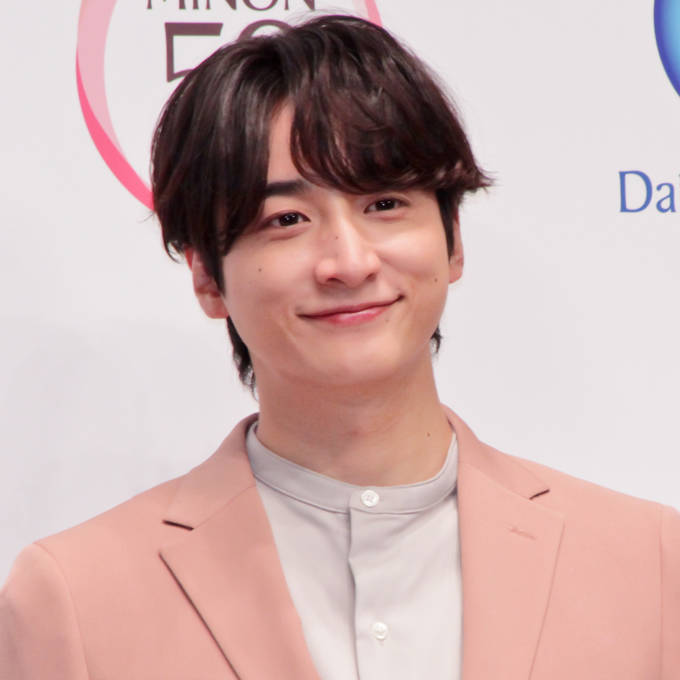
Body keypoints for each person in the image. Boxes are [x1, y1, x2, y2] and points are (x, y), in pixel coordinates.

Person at [1, 14, 679, 680]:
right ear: (207, 277)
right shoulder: (75, 599)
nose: (349, 262)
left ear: (453, 242)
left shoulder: (649, 564)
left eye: (383, 204)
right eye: (286, 219)